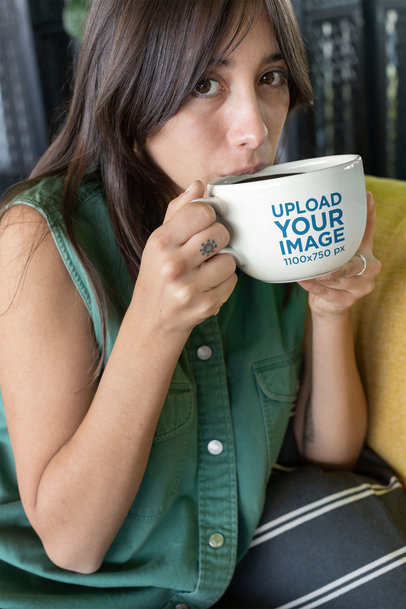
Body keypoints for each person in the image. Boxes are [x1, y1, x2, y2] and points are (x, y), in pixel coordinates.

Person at [0, 1, 404, 608]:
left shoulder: (267, 224)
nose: (255, 129)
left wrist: (329, 308)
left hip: (216, 573)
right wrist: (152, 327)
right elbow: (72, 544)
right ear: (131, 96)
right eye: (204, 84)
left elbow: (329, 452)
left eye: (269, 78)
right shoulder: (41, 243)